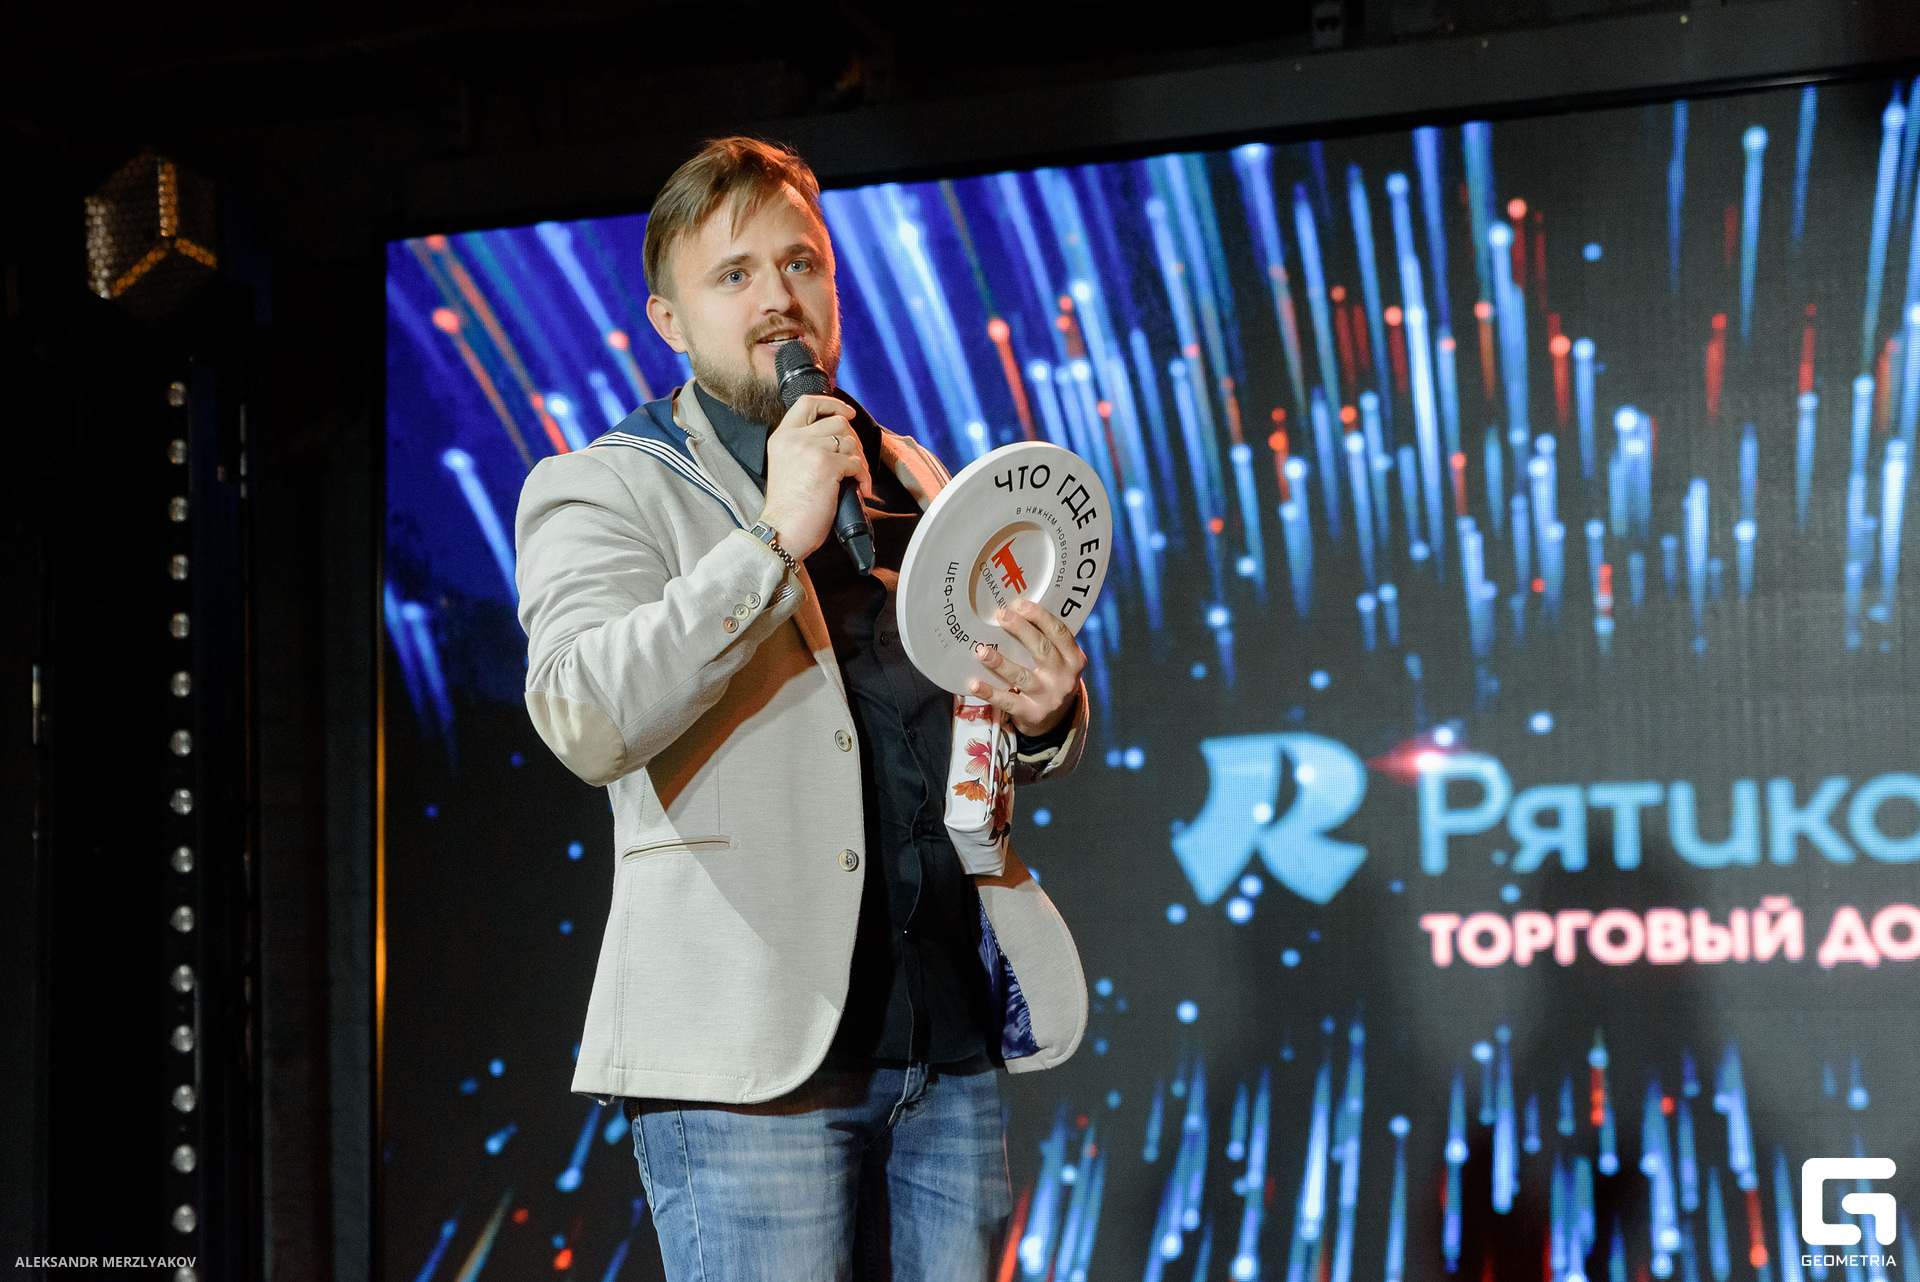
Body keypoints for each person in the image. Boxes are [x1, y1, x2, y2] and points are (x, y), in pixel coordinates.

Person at [513, 137, 1091, 1281]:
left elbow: (957, 719)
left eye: (802, 264)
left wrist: (1041, 716)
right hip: (755, 1066)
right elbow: (584, 714)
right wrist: (773, 538)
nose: (778, 297)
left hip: (946, 1043)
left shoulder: (916, 477)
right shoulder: (606, 484)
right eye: (733, 274)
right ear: (669, 320)